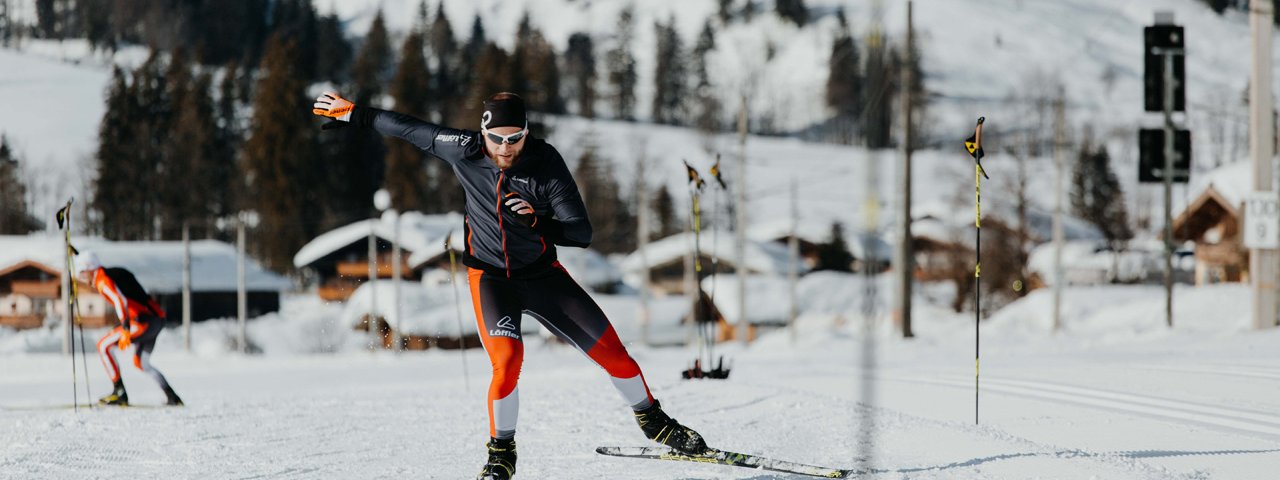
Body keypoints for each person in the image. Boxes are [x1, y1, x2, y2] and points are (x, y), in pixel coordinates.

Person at [313, 92, 707, 479]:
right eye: (497, 138)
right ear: (482, 133)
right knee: (507, 363)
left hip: (542, 276)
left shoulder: (545, 163)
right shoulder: (464, 149)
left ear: (526, 133)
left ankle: (654, 422)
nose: (505, 147)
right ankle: (501, 453)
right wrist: (355, 114)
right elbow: (408, 128)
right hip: (490, 278)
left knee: (615, 354)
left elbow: (580, 232)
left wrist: (538, 221)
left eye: (515, 138)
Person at [75, 251, 183, 407]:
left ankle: (119, 393)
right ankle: (172, 397)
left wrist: (125, 328)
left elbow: (120, 301)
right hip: (156, 319)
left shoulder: (102, 280)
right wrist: (77, 253)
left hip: (141, 322)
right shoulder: (109, 273)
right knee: (142, 363)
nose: (83, 278)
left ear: (89, 268)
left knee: (103, 346)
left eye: (82, 273)